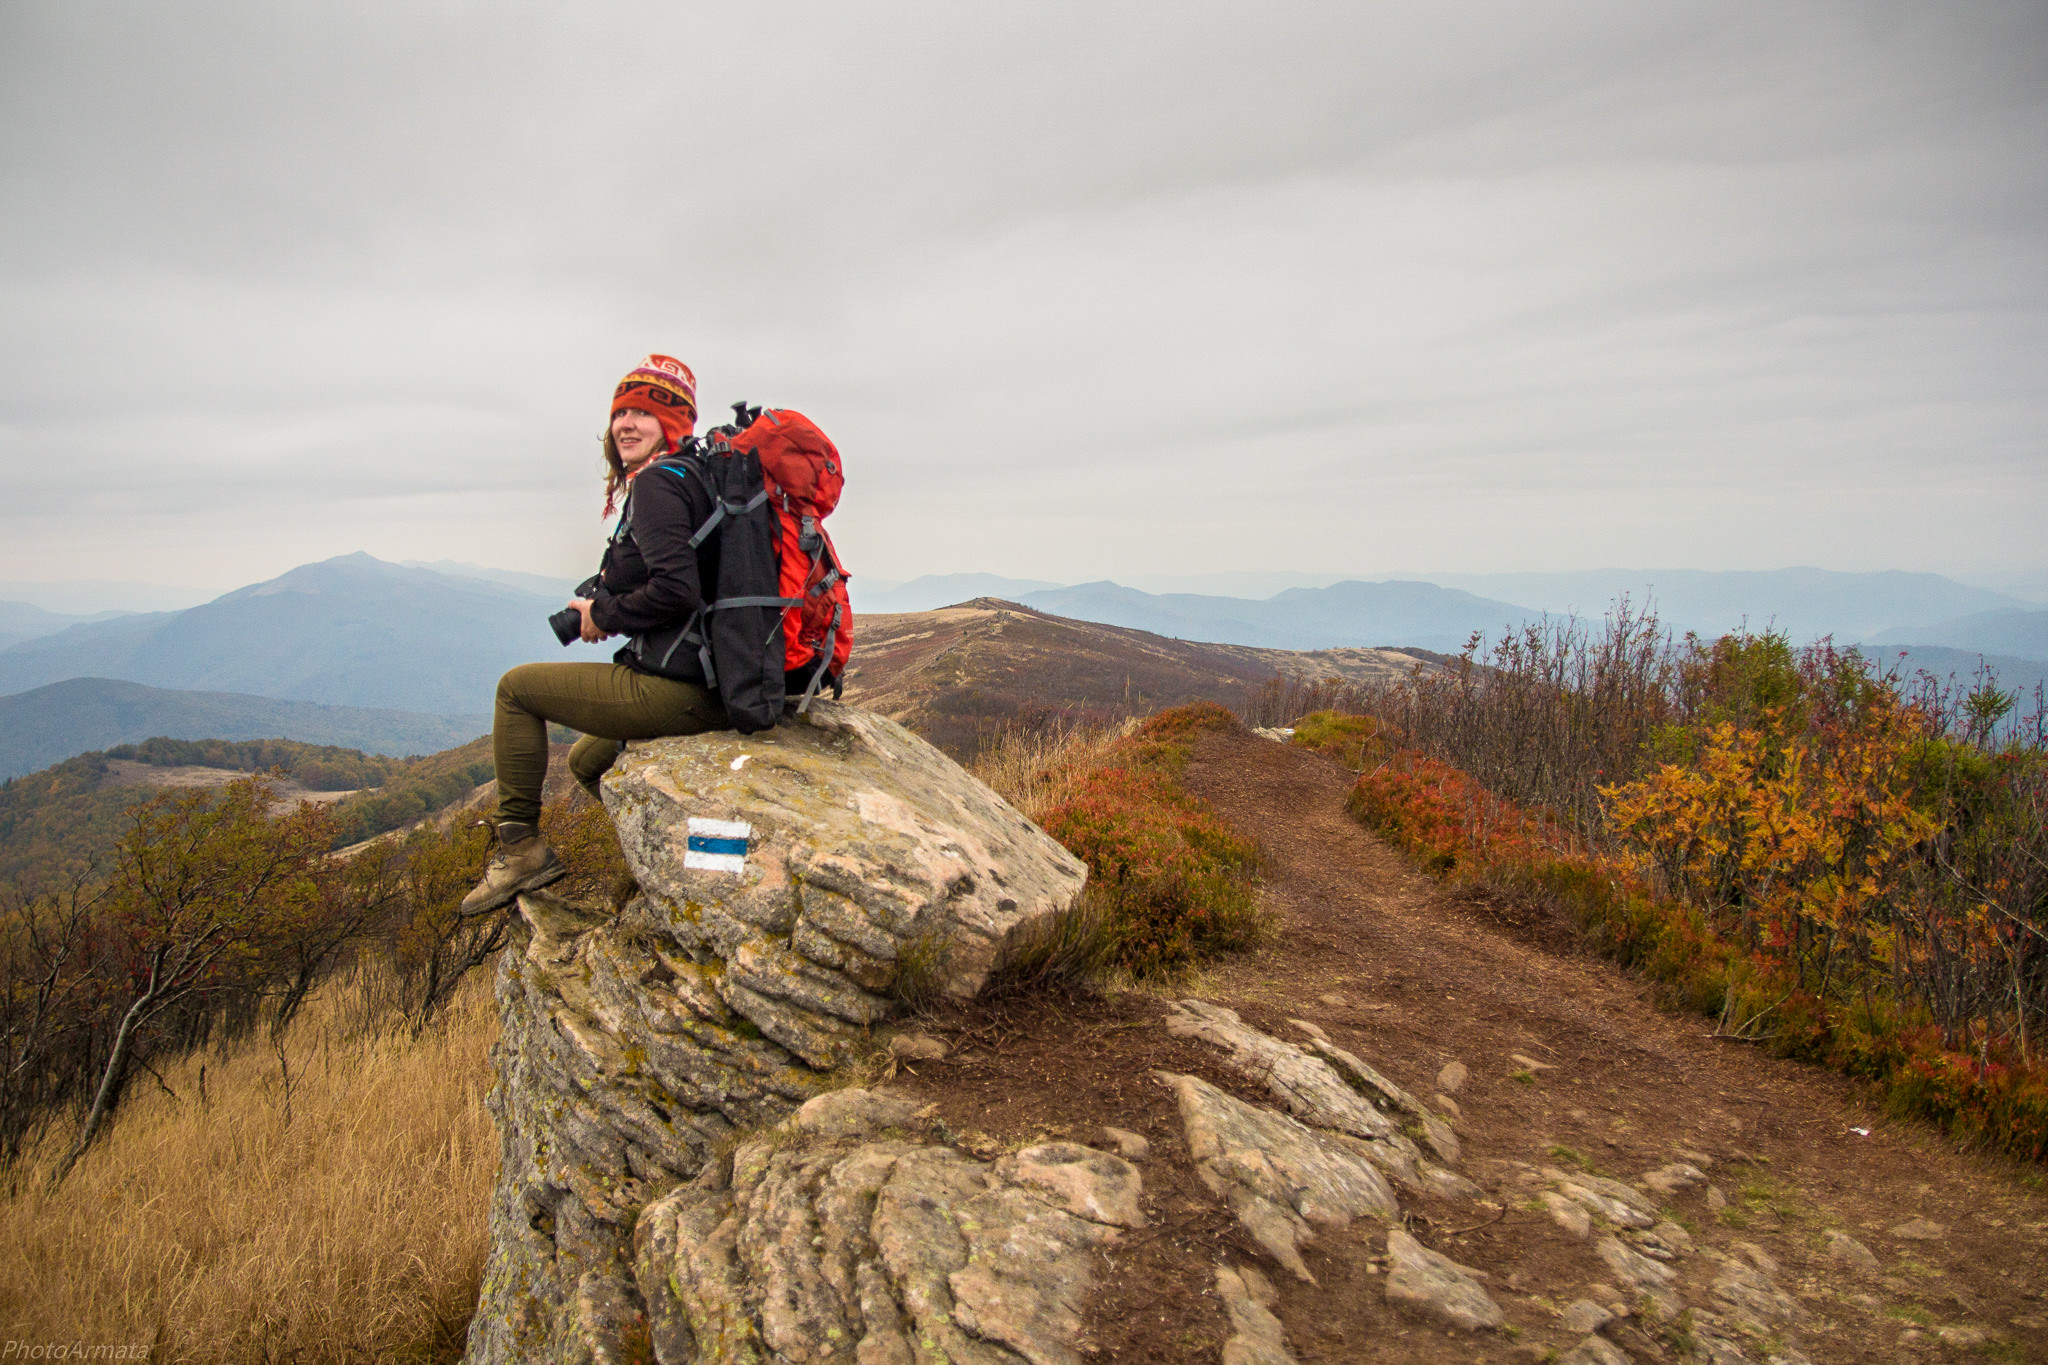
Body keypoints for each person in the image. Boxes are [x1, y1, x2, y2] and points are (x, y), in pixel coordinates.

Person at [459, 355, 730, 916]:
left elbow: (676, 592)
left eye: (644, 413)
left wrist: (603, 615)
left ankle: (522, 851)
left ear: (674, 423)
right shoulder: (694, 474)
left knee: (515, 689)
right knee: (587, 762)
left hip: (682, 690)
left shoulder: (657, 485)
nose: (626, 424)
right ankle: (659, 860)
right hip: (716, 677)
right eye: (620, 412)